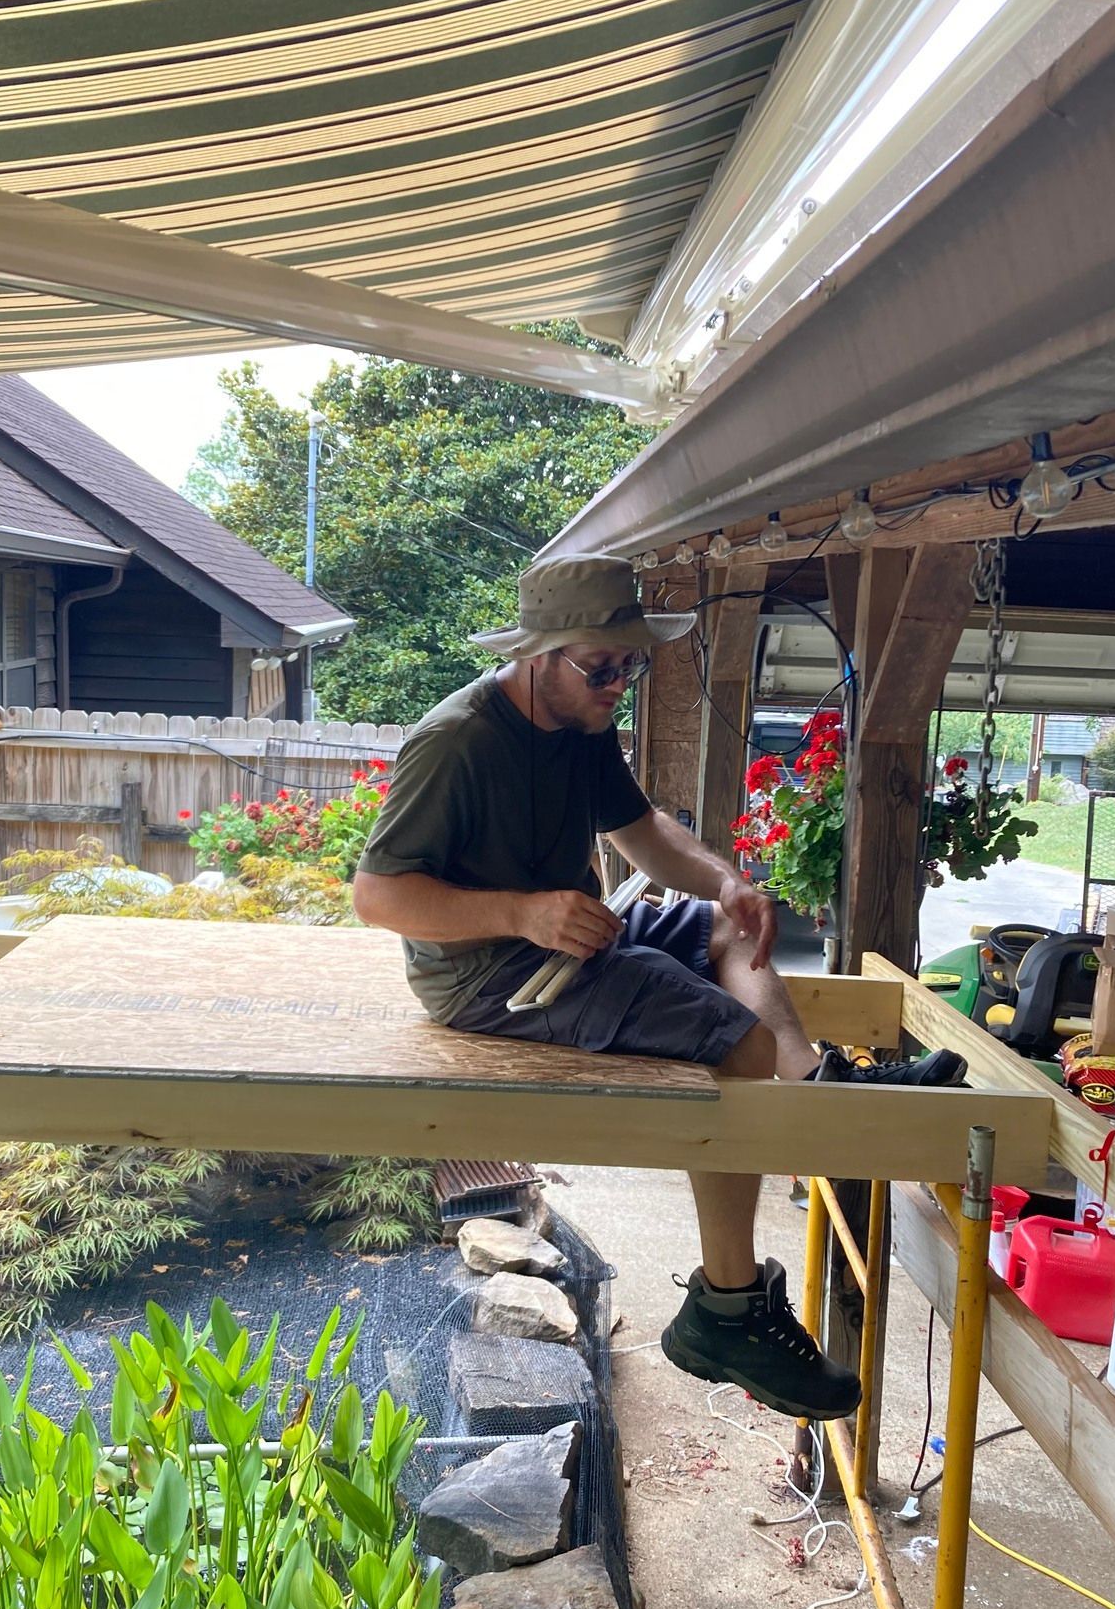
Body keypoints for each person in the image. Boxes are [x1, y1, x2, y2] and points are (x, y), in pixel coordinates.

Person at [353, 552, 965, 1418]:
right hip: (492, 975)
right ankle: (726, 1306)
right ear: (540, 655)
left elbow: (641, 834)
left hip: (571, 933)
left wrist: (726, 880)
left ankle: (822, 1090)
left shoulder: (579, 724)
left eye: (630, 665)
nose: (618, 684)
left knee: (728, 928)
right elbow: (378, 897)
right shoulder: (457, 742)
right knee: (734, 1043)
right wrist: (526, 915)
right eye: (602, 667)